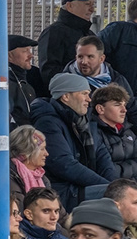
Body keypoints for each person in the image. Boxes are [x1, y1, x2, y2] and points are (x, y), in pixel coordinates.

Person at [33, 72, 117, 210]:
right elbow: (64, 165)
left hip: (82, 186)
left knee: (126, 193)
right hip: (64, 192)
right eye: (84, 93)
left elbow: (102, 155)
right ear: (65, 96)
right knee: (123, 197)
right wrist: (109, 188)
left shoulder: (84, 121)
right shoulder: (47, 123)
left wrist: (115, 185)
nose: (89, 99)